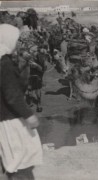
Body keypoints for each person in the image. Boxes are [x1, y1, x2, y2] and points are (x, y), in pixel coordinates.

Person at [0, 24, 42, 180]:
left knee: (12, 160)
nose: (17, 44)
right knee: (22, 161)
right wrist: (28, 115)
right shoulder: (5, 63)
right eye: (16, 40)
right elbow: (12, 95)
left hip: (4, 118)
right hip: (12, 120)